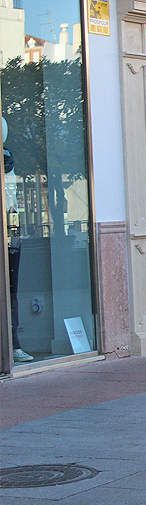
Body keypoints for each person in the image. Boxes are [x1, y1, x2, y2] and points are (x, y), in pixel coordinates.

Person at [2, 117, 34, 363]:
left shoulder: (8, 160)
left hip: (11, 232)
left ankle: (13, 344)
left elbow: (13, 203)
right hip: (10, 232)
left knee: (12, 291)